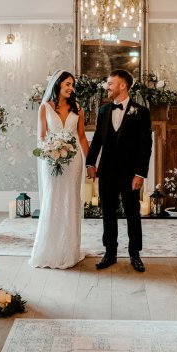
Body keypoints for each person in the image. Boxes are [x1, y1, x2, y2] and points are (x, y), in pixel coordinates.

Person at [86, 69, 152, 272]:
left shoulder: (141, 112)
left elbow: (145, 146)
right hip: (106, 172)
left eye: (110, 83)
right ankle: (110, 253)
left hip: (130, 174)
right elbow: (97, 138)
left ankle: (135, 254)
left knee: (132, 213)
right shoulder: (104, 111)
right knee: (107, 213)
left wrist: (140, 174)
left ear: (123, 85)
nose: (107, 87)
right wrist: (90, 163)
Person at [29, 70, 89, 269]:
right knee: (53, 201)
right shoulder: (45, 107)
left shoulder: (78, 108)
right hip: (51, 160)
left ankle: (69, 251)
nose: (71, 88)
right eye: (67, 84)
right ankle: (50, 250)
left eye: (72, 85)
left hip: (73, 162)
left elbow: (81, 137)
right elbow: (42, 136)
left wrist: (90, 162)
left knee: (71, 202)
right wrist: (51, 152)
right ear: (58, 85)